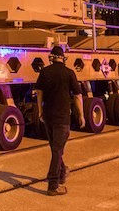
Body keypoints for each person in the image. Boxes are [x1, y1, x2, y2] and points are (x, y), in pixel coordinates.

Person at [35, 45, 84, 196]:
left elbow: (39, 92)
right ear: (63, 58)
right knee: (57, 150)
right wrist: (81, 115)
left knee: (55, 149)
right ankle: (53, 184)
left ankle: (62, 172)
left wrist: (40, 111)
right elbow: (77, 96)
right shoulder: (69, 73)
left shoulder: (45, 72)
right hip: (62, 118)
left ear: (51, 58)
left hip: (48, 116)